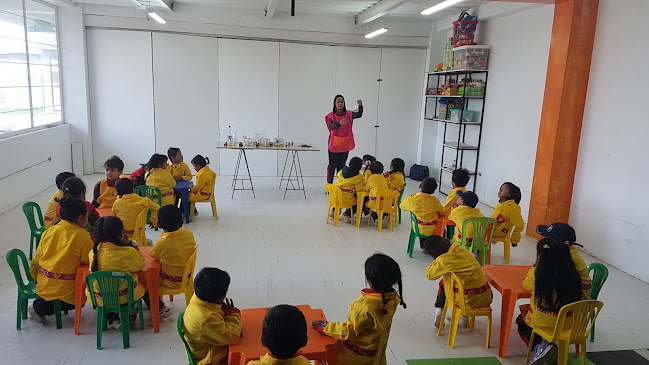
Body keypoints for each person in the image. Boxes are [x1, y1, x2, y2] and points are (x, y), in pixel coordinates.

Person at [312, 253, 406, 365]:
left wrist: (324, 326)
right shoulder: (392, 297)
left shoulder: (364, 306)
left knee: (322, 354)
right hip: (375, 352)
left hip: (354, 355)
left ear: (369, 281)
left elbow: (348, 332)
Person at [517, 239, 583, 365]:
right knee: (545, 318)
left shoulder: (540, 277)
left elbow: (526, 284)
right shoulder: (574, 276)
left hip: (546, 324)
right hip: (571, 325)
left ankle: (540, 347)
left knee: (522, 320)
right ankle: (550, 348)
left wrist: (536, 266)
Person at [28, 196, 94, 322]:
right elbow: (90, 261)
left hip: (43, 282)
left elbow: (36, 259)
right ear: (81, 219)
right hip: (65, 289)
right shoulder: (82, 237)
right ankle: (40, 309)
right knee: (77, 302)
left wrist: (35, 278)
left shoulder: (49, 231)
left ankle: (43, 302)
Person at [87, 216, 145, 329]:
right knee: (142, 282)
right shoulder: (129, 252)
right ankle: (131, 312)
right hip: (125, 297)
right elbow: (140, 265)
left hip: (100, 298)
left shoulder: (93, 253)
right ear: (121, 235)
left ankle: (111, 317)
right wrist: (132, 245)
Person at [423, 235, 492, 328]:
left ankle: (439, 310)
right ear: (447, 240)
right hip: (485, 297)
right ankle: (463, 318)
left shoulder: (444, 260)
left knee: (444, 283)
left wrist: (436, 260)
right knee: (464, 281)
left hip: (466, 301)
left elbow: (430, 275)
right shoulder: (462, 250)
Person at [183, 267, 242, 365]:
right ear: (222, 297)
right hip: (210, 360)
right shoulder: (207, 319)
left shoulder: (197, 299)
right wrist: (232, 314)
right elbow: (233, 336)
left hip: (206, 349)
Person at [150, 205, 196, 318]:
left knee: (146, 280)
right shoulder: (188, 234)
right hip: (186, 276)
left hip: (170, 281)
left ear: (159, 225)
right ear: (181, 222)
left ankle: (158, 306)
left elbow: (152, 254)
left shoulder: (162, 243)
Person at [536, 222, 592, 300]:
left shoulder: (565, 259)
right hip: (574, 300)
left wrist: (537, 264)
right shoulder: (570, 250)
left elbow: (539, 284)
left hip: (573, 303)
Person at [325, 95, 364, 184]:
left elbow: (358, 114)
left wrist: (360, 106)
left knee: (341, 166)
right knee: (332, 166)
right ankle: (329, 184)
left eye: (342, 102)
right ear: (335, 104)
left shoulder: (349, 114)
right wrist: (339, 123)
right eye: (338, 102)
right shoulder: (329, 116)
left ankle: (340, 184)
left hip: (345, 144)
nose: (340, 104)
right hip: (334, 145)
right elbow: (331, 127)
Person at [399, 177, 445, 248]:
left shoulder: (412, 199)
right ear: (433, 192)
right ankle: (433, 245)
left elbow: (401, 206)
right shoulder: (435, 200)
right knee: (443, 230)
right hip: (433, 229)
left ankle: (424, 244)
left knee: (422, 228)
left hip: (418, 228)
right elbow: (442, 212)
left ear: (420, 186)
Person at [112, 178, 160, 244]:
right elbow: (157, 208)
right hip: (139, 231)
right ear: (133, 188)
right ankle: (142, 239)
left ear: (117, 192)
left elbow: (115, 215)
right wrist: (153, 220)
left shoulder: (117, 203)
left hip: (124, 234)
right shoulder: (145, 201)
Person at [491, 182, 525, 247]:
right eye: (500, 188)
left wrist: (515, 239)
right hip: (493, 227)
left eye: (503, 189)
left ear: (510, 194)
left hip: (498, 231)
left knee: (473, 229)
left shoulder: (512, 207)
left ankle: (475, 250)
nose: (500, 190)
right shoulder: (501, 204)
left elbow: (520, 224)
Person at [332, 156, 365, 223]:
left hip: (335, 197)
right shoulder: (358, 177)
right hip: (346, 199)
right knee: (359, 202)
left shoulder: (341, 171)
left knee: (341, 194)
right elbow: (359, 190)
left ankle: (333, 211)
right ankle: (346, 214)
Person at [362, 161, 391, 228]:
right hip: (386, 201)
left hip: (375, 201)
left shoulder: (371, 178)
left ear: (371, 170)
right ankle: (385, 215)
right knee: (380, 207)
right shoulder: (383, 177)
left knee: (367, 204)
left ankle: (377, 219)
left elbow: (366, 189)